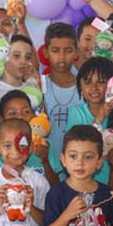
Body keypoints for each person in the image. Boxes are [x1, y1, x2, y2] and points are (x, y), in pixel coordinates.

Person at [63, 56, 113, 181]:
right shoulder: (75, 112)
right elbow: (79, 145)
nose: (94, 88)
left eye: (101, 82)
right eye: (87, 82)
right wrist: (100, 116)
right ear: (80, 87)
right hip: (85, 182)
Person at [41, 22, 83, 157]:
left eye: (68, 50)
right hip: (49, 162)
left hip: (80, 162)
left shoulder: (85, 86)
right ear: (46, 52)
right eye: (55, 50)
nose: (62, 56)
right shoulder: (40, 84)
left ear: (76, 52)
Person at [0, 35, 36, 121]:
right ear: (3, 57)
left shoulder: (33, 90)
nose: (23, 61)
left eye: (28, 57)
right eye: (16, 56)